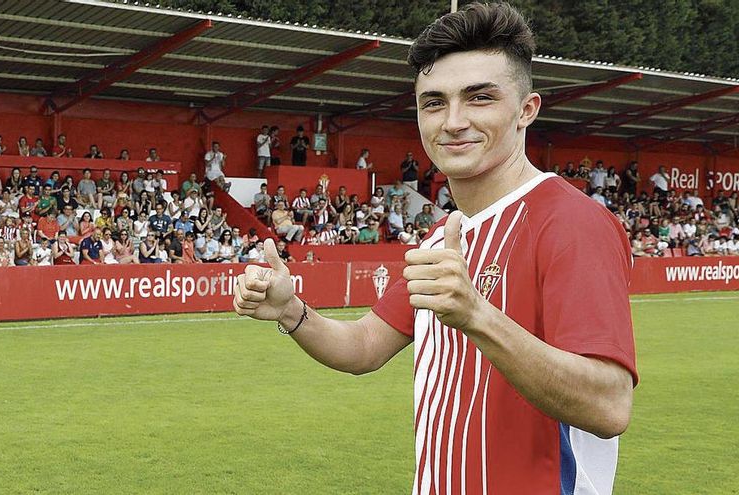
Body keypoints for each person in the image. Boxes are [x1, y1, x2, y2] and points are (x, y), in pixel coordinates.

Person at [231, 5, 636, 495]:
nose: (454, 121)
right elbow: (363, 348)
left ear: (527, 109)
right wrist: (292, 312)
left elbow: (609, 406)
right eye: (434, 102)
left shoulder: (571, 222)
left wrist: (477, 316)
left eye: (480, 98)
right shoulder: (443, 235)